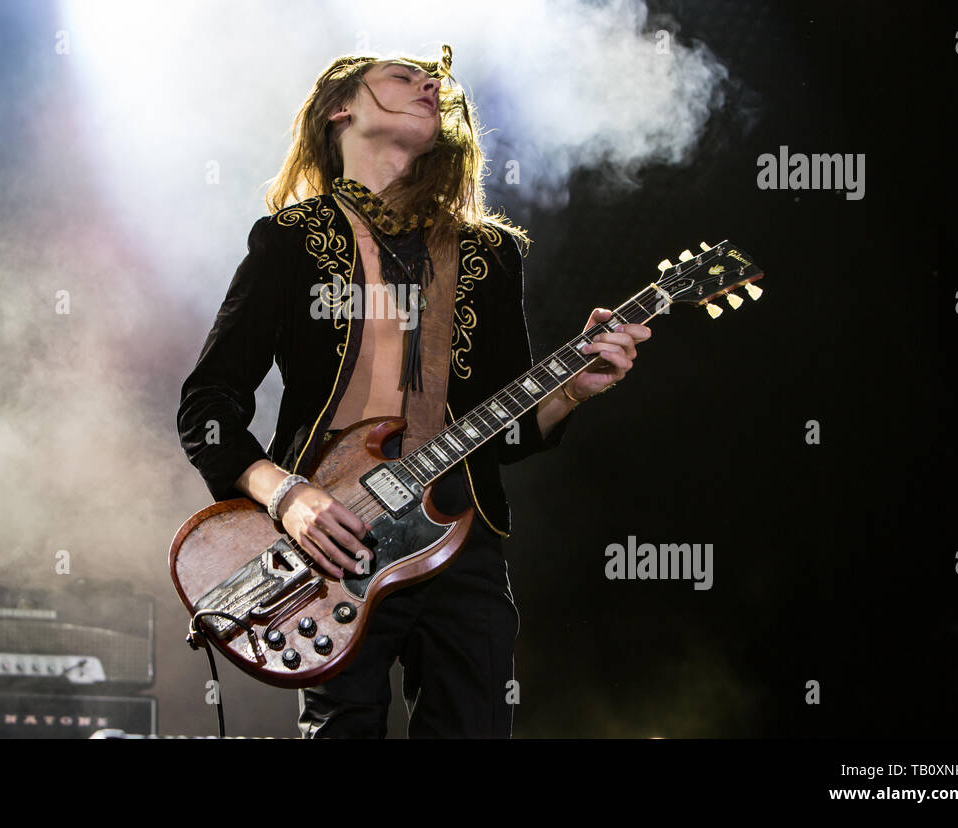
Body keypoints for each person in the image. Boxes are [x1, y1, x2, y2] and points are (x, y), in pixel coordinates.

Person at [177, 46, 650, 737]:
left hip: (462, 533)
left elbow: (507, 428)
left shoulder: (489, 253)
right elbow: (208, 406)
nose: (430, 84)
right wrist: (289, 495)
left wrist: (571, 391)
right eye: (402, 76)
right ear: (341, 107)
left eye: (433, 81)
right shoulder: (291, 241)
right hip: (334, 539)